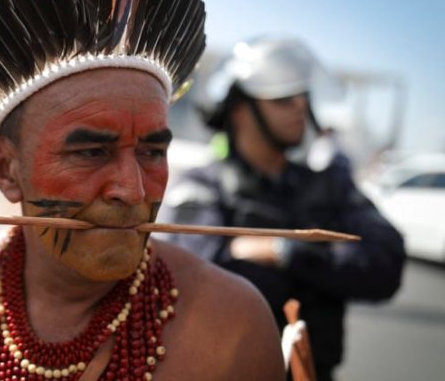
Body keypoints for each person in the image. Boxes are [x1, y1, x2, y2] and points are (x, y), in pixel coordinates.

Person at [0, 0, 285, 380]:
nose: (134, 190)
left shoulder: (233, 325)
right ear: (7, 168)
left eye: (152, 152)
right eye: (92, 153)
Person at [159, 36, 405, 380]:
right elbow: (194, 278)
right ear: (241, 110)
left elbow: (386, 264)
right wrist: (325, 261)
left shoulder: (329, 185)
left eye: (303, 96)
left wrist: (282, 250)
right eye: (283, 99)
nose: (300, 108)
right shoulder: (202, 187)